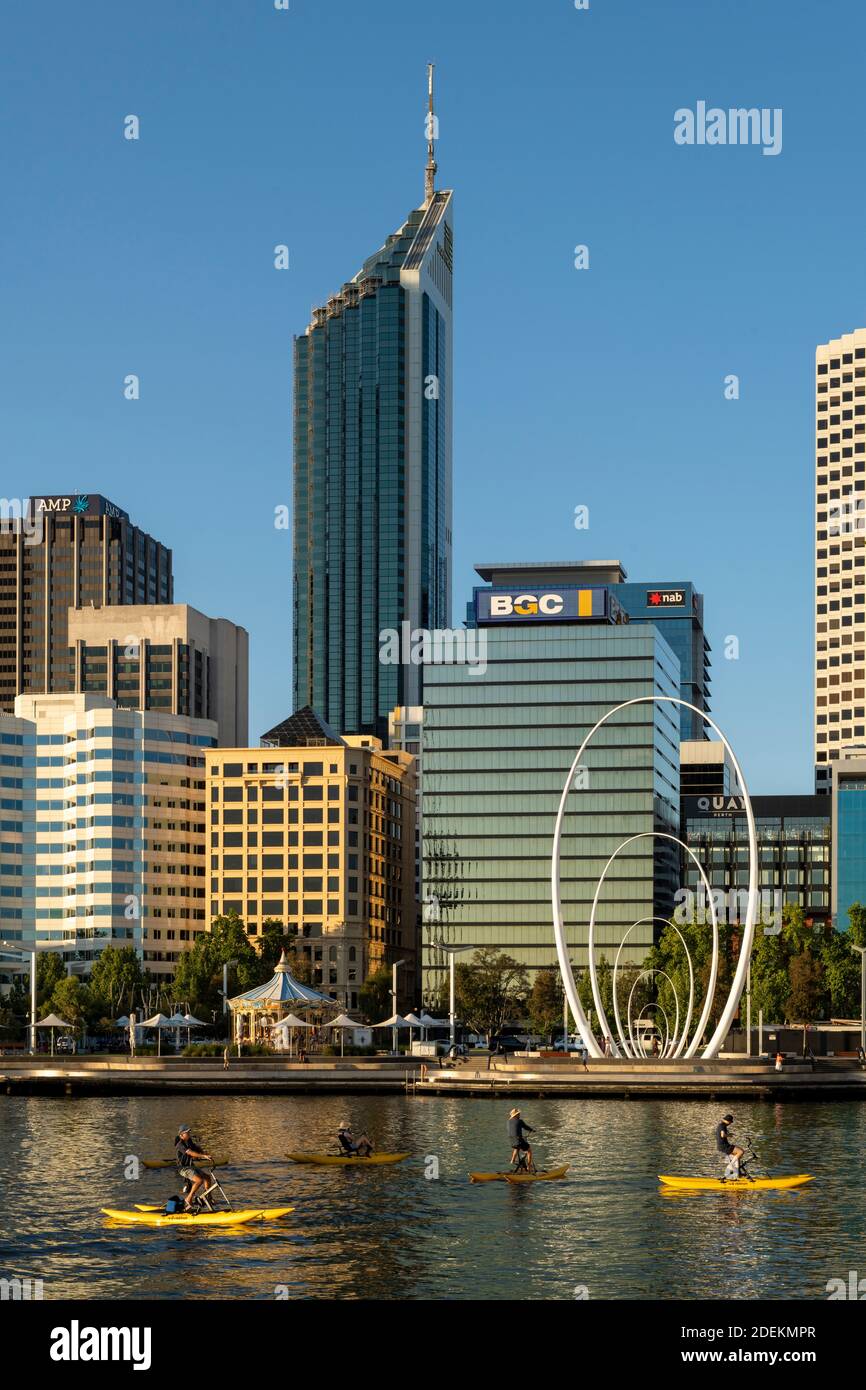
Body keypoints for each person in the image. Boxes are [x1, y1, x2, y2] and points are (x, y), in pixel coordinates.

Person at [175, 1124, 213, 1210]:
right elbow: (190, 1153)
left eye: (189, 1132)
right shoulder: (180, 1145)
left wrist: (204, 1153)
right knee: (199, 1180)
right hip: (183, 1168)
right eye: (187, 1133)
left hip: (191, 1167)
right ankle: (189, 1198)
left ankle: (208, 1198)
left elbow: (196, 1148)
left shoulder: (189, 1141)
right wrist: (203, 1156)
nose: (189, 1134)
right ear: (181, 1135)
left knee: (207, 1178)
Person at [715, 1112, 744, 1180]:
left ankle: (737, 1173)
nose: (730, 1124)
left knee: (736, 1156)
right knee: (741, 1152)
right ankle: (730, 1166)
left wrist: (729, 1134)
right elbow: (722, 1135)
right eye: (730, 1122)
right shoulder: (722, 1126)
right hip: (724, 1146)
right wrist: (729, 1135)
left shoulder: (721, 1125)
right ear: (728, 1121)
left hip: (722, 1145)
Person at [507, 1107, 535, 1172]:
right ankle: (529, 1167)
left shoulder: (508, 1122)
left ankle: (512, 1161)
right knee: (529, 1151)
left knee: (516, 1148)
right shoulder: (520, 1121)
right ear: (516, 1115)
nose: (519, 1115)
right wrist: (532, 1130)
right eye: (518, 1114)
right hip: (519, 1140)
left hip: (512, 1141)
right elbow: (526, 1127)